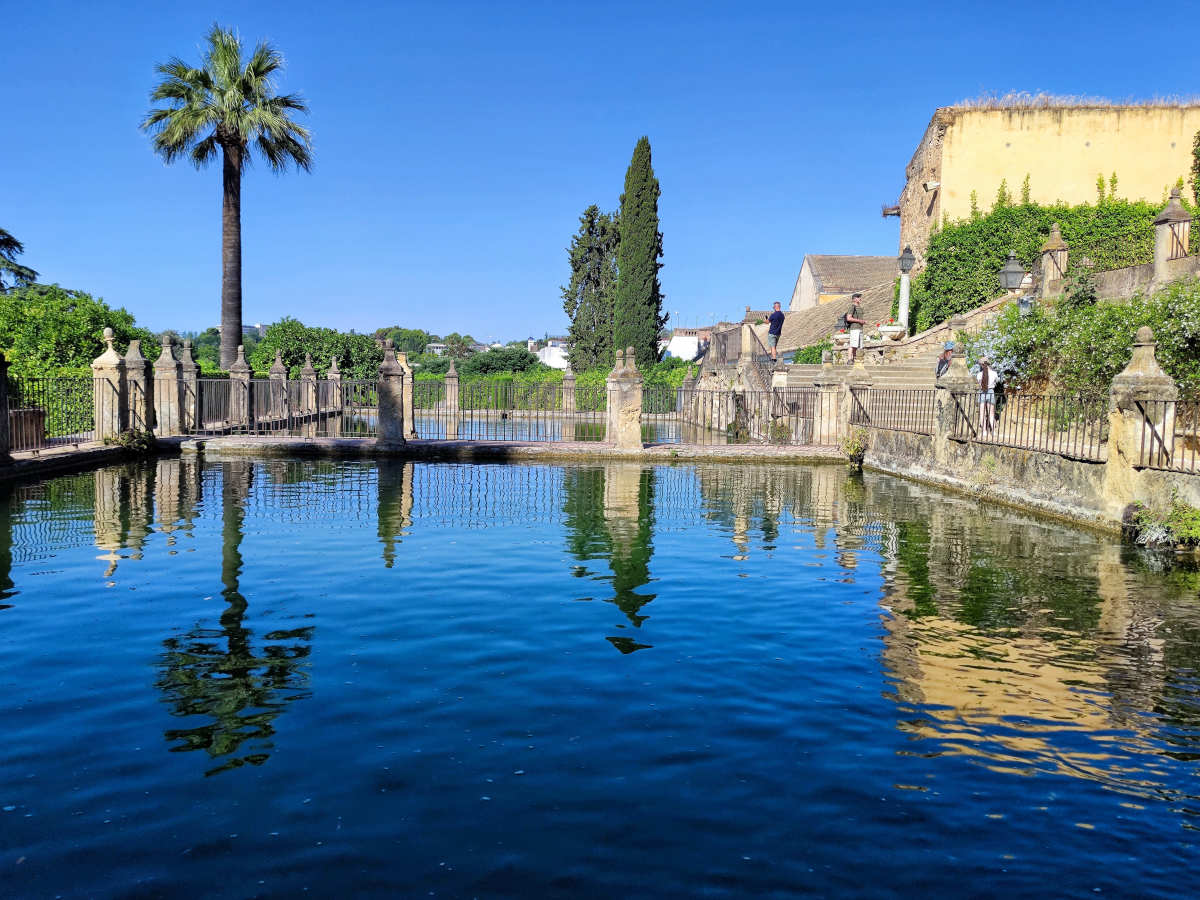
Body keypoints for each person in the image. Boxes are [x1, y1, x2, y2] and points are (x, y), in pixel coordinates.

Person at [977, 355, 999, 435]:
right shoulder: (994, 373)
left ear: (982, 365)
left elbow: (979, 384)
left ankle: (984, 431)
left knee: (982, 413)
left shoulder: (979, 374)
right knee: (991, 413)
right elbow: (996, 382)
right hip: (990, 392)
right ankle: (993, 431)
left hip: (982, 392)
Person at [845, 292, 866, 362]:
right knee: (853, 344)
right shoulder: (852, 307)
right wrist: (859, 321)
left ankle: (854, 359)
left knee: (858, 345)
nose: (860, 298)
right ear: (854, 299)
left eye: (860, 297)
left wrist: (863, 321)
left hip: (860, 328)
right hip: (854, 329)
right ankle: (849, 359)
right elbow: (849, 318)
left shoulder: (860, 308)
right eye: (858, 297)